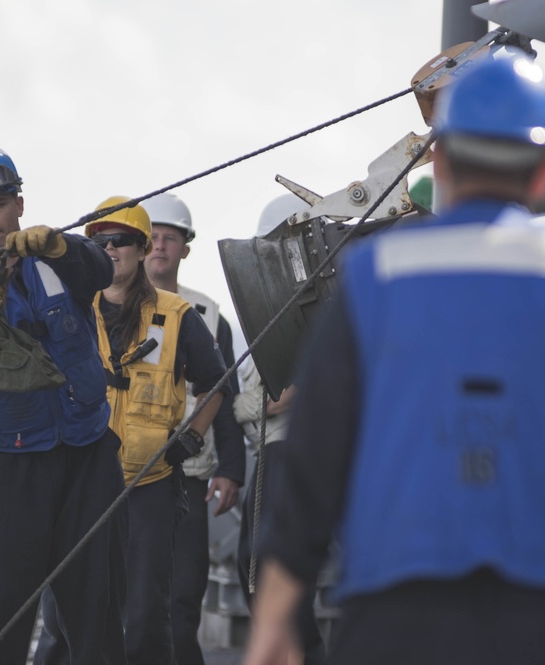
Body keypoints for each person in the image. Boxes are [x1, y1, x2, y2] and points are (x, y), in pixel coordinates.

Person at [244, 55, 545, 665]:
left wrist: (273, 618)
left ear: (441, 161)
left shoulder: (375, 279)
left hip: (397, 622)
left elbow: (312, 467)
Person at [0, 143, 126, 665]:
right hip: (7, 475)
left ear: (20, 203)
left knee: (99, 624)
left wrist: (61, 245)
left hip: (87, 459)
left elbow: (102, 272)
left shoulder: (60, 262)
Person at [141, 192, 246, 665]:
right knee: (126, 596)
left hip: (187, 477)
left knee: (183, 597)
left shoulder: (206, 316)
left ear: (186, 248)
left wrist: (232, 468)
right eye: (153, 238)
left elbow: (223, 393)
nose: (161, 246)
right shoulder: (107, 306)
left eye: (171, 239)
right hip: (126, 476)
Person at [234, 192, 326, 665]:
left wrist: (244, 405)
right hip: (273, 454)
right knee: (251, 563)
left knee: (271, 570)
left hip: (293, 450)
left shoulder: (316, 310)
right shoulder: (275, 313)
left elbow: (281, 395)